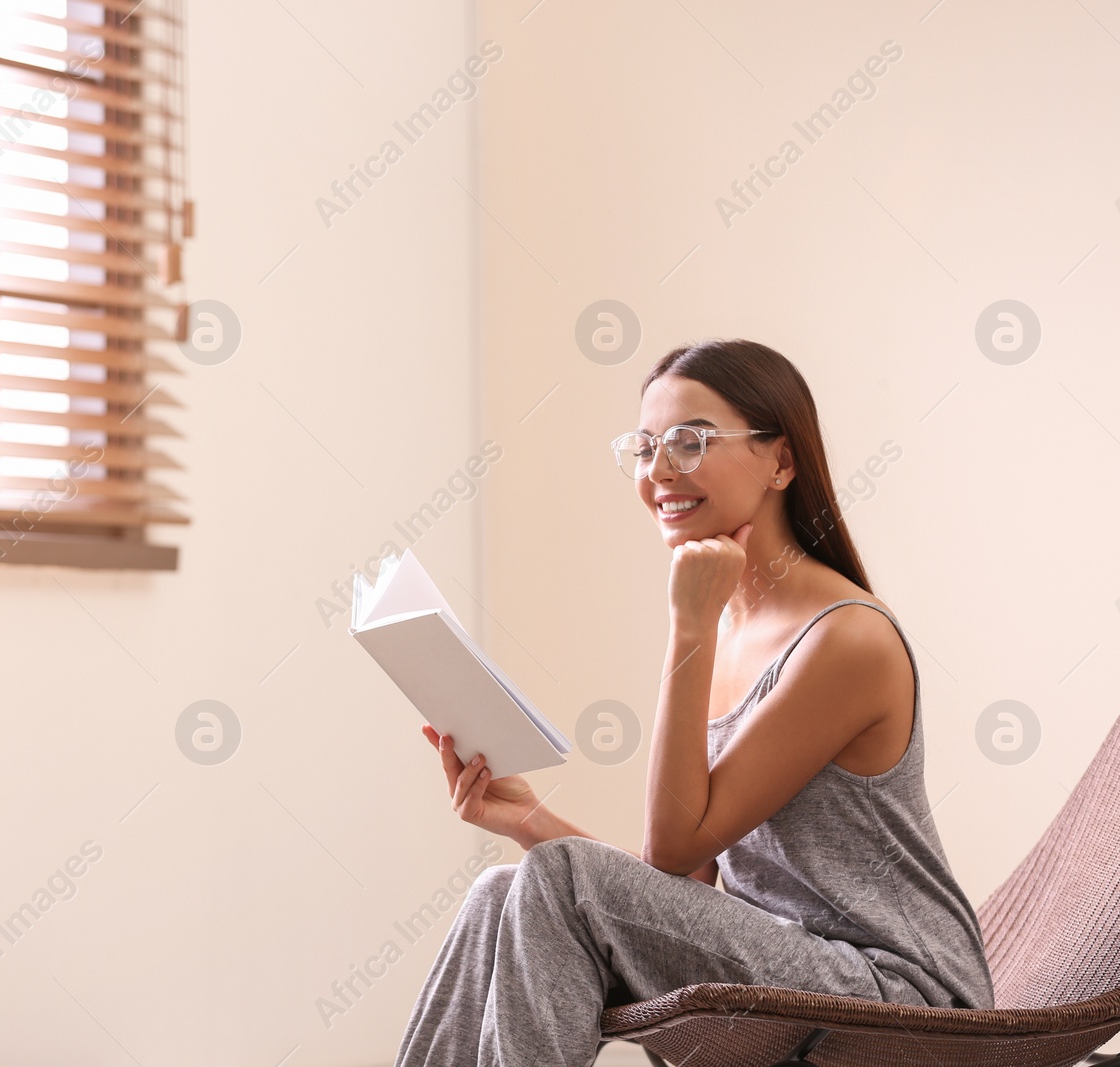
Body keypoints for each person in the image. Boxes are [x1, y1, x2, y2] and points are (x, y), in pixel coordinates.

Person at [392, 338, 994, 1067]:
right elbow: (687, 880)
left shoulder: (846, 640)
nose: (659, 470)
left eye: (690, 440)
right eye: (645, 447)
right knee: (499, 892)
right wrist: (528, 819)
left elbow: (672, 848)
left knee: (560, 876)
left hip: (903, 998)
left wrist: (690, 624)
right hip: (796, 964)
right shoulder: (730, 621)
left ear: (782, 460)